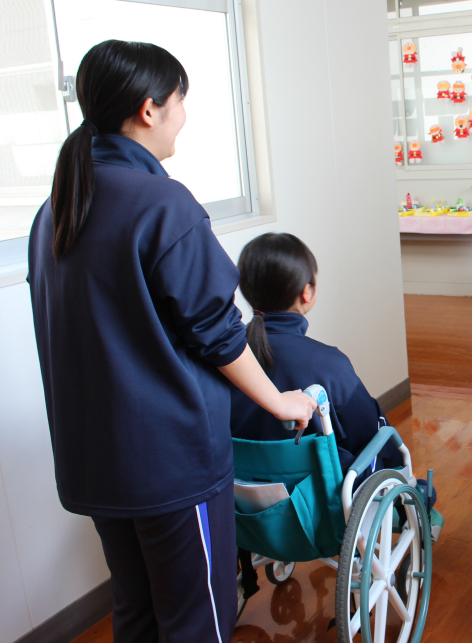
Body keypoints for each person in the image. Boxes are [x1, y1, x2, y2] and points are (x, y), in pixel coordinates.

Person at [27, 40, 316, 643]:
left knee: (135, 613)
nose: (185, 113)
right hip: (168, 465)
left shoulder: (57, 208)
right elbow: (219, 333)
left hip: (95, 463)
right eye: (181, 99)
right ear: (149, 109)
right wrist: (282, 402)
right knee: (196, 622)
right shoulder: (162, 204)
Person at [230, 232, 404, 475]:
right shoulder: (328, 365)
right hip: (321, 507)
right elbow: (373, 439)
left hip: (243, 506)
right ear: (306, 293)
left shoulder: (225, 360)